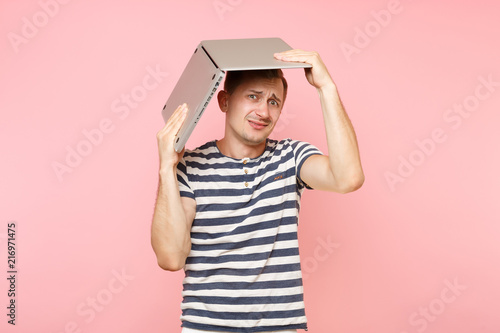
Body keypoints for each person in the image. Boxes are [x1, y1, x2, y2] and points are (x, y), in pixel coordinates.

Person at [151, 49, 364, 332]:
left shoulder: (290, 155)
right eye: (253, 96)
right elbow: (170, 257)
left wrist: (327, 88)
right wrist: (166, 168)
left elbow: (348, 178)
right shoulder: (190, 166)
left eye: (273, 102)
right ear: (224, 101)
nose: (264, 112)